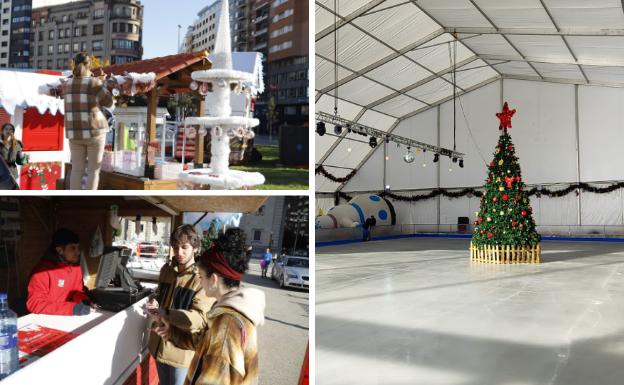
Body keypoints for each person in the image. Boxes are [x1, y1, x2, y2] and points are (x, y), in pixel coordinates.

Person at [154, 228, 265, 385]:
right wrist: (171, 332)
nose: (200, 281)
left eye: (200, 277)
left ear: (213, 279)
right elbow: (202, 343)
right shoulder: (229, 314)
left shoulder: (227, 326)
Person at [145, 225, 215, 385]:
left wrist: (165, 313)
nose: (179, 252)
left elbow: (200, 319)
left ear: (195, 248)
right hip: (158, 344)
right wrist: (155, 300)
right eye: (175, 247)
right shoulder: (166, 270)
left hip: (182, 354)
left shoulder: (201, 278)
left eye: (184, 247)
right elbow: (160, 294)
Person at [63, 52, 113, 190]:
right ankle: (89, 198)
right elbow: (108, 102)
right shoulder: (94, 83)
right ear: (89, 65)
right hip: (95, 132)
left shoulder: (66, 84)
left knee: (76, 169)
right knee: (93, 170)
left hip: (74, 133)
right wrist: (102, 82)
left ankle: (74, 201)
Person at [26, 228, 91, 316]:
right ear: (60, 250)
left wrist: (84, 299)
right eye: (73, 248)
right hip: (44, 319)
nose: (78, 252)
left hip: (64, 316)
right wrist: (71, 309)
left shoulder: (75, 267)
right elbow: (34, 303)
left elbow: (76, 292)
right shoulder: (42, 271)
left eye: (78, 247)